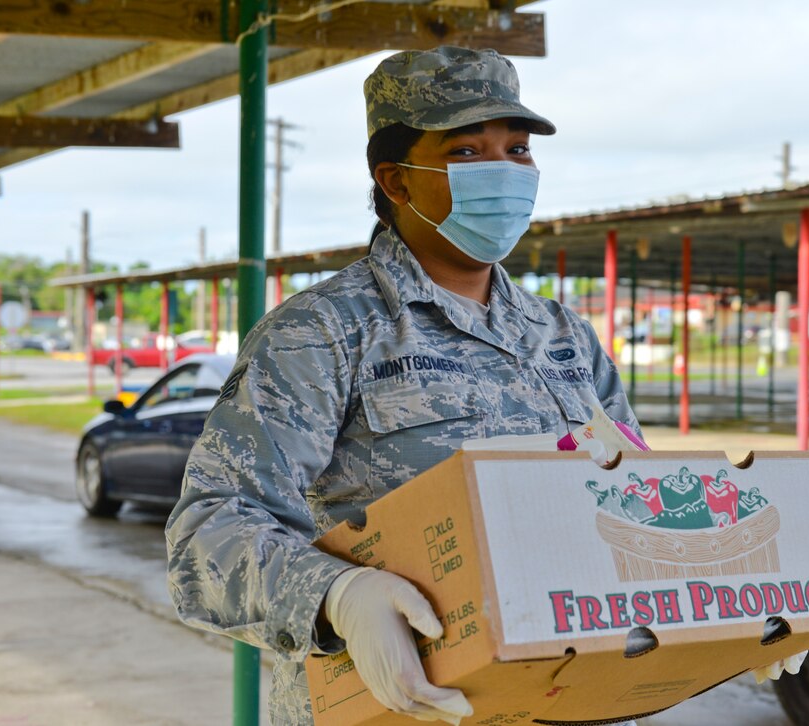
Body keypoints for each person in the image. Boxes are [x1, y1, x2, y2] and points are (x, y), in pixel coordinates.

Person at [165, 46, 641, 725]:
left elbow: (633, 500)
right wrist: (337, 595)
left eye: (517, 150)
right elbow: (206, 537)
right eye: (468, 152)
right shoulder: (323, 332)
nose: (504, 171)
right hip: (392, 707)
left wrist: (722, 625)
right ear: (396, 180)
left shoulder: (564, 337)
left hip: (565, 701)